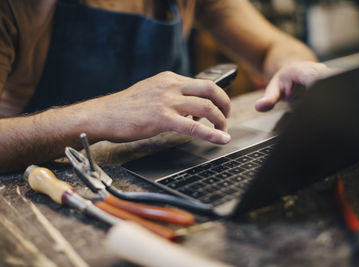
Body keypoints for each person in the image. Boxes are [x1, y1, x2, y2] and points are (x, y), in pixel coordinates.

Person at [0, 0, 329, 173]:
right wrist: (101, 115)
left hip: (170, 165)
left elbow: (274, 47)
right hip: (45, 181)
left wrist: (292, 66)